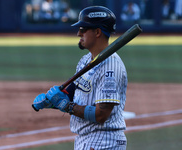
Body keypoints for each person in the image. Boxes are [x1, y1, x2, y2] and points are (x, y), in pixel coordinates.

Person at [33, 6, 128, 150]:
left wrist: (66, 106)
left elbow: (101, 114)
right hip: (86, 140)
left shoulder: (111, 67)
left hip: (104, 141)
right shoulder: (85, 60)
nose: (78, 33)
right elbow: (73, 92)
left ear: (97, 32)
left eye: (83, 29)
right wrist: (52, 102)